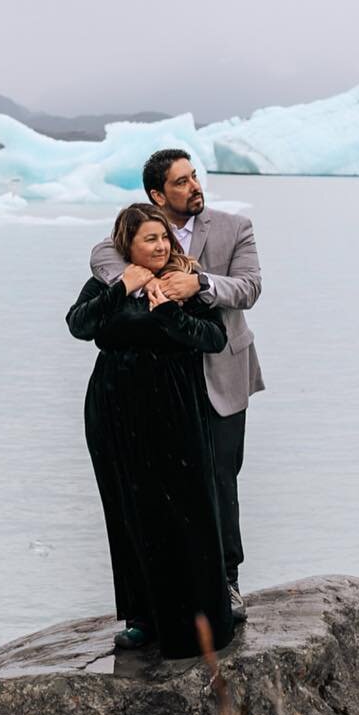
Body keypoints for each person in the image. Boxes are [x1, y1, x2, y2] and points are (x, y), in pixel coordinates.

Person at [90, 148, 262, 623]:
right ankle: (166, 594)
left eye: (194, 177)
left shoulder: (234, 228)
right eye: (181, 182)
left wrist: (200, 283)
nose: (194, 186)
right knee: (165, 487)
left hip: (222, 371)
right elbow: (103, 257)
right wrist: (142, 282)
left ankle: (227, 582)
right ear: (157, 194)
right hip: (164, 388)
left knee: (221, 480)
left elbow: (248, 286)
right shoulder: (138, 233)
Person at [67, 204, 233, 658]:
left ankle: (196, 621)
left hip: (174, 406)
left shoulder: (184, 279)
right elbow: (79, 325)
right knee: (128, 511)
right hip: (114, 408)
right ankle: (141, 618)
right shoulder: (110, 281)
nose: (161, 246)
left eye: (164, 237)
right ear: (128, 246)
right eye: (150, 240)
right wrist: (122, 288)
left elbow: (214, 338)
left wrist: (170, 314)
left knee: (186, 511)